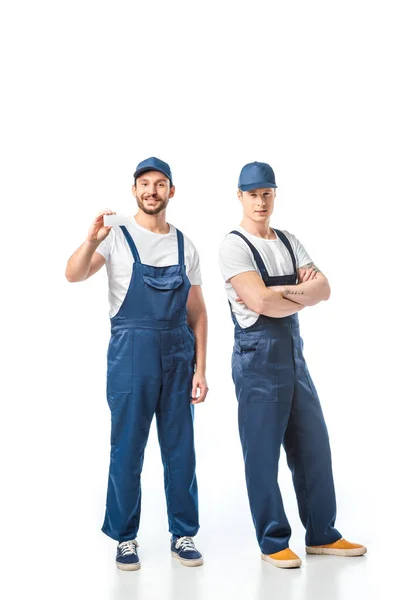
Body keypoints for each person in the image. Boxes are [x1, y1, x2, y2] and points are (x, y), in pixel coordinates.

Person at [218, 161, 366, 569]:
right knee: (262, 456)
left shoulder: (288, 240)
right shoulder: (233, 245)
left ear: (274, 194)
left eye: (266, 192)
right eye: (252, 194)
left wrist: (281, 291)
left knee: (314, 447)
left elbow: (325, 289)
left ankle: (322, 534)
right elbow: (260, 303)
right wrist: (296, 293)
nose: (260, 201)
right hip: (257, 361)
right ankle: (272, 540)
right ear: (239, 196)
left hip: (293, 358)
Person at [66, 157, 208, 570]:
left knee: (181, 450)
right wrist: (92, 239)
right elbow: (73, 275)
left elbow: (198, 313)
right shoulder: (115, 235)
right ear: (134, 190)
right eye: (144, 183)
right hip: (131, 355)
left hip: (179, 356)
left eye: (160, 184)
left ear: (171, 191)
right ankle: (125, 538)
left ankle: (183, 534)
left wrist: (200, 368)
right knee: (127, 448)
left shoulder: (186, 245)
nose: (151, 191)